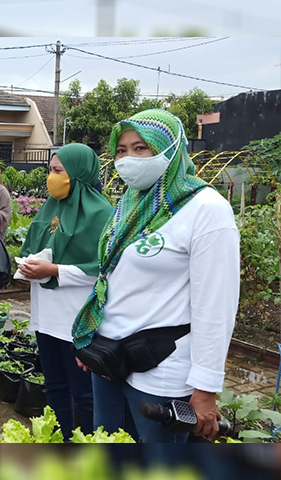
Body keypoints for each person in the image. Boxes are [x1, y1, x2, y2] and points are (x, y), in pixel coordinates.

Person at [72, 109, 240, 443]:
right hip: (110, 360)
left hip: (161, 370)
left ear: (170, 149)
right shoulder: (130, 203)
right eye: (121, 150)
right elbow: (112, 281)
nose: (128, 158)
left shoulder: (206, 208)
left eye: (141, 148)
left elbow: (216, 306)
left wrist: (206, 387)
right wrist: (91, 341)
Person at [18, 143, 113, 440]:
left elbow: (104, 269)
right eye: (50, 170)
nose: (51, 177)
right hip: (46, 315)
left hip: (77, 320)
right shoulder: (50, 207)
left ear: (78, 173)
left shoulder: (101, 214)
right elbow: (36, 246)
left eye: (58, 171)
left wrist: (55, 271)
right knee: (55, 385)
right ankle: (60, 439)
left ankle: (86, 444)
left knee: (84, 392)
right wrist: (29, 267)